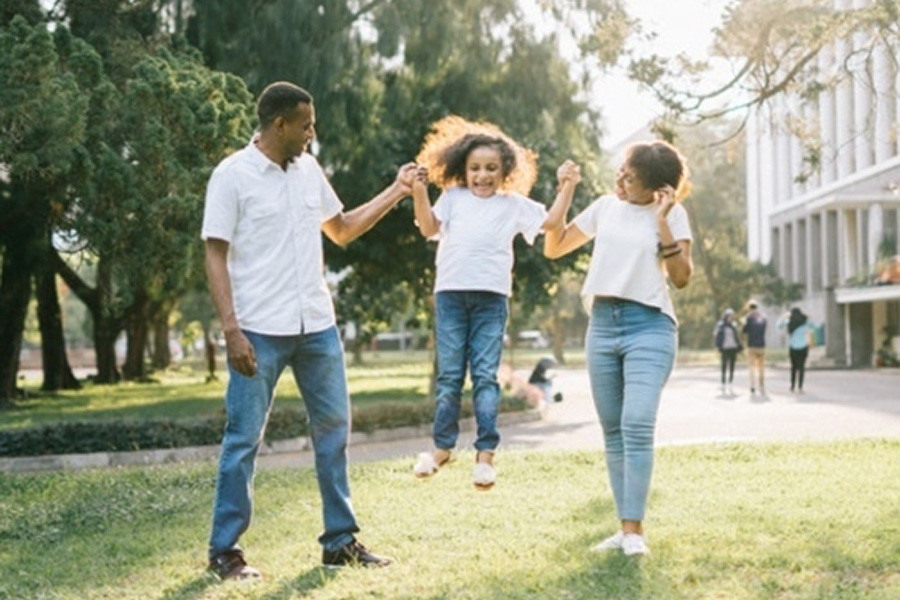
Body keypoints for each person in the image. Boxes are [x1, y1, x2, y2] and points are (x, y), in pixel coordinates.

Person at [201, 81, 417, 579]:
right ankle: (225, 550)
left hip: (317, 326)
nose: (312, 134)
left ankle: (339, 542)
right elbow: (214, 253)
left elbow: (340, 228)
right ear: (280, 124)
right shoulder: (232, 175)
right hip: (258, 329)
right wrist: (231, 330)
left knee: (334, 432)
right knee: (243, 439)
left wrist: (397, 190)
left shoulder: (308, 170)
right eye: (306, 125)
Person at [409, 115, 579, 489]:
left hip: (491, 300)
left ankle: (485, 457)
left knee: (485, 376)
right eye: (474, 168)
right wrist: (419, 192)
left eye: (491, 168)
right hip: (451, 296)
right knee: (450, 376)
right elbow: (427, 228)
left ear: (506, 172)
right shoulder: (452, 198)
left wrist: (566, 187)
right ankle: (441, 449)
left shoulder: (513, 204)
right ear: (462, 170)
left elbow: (551, 222)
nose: (482, 176)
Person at [543, 140, 693, 556]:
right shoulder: (605, 207)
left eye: (631, 177)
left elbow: (681, 277)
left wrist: (662, 221)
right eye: (622, 171)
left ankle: (634, 533)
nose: (621, 180)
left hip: (650, 325)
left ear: (658, 189)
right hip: (603, 326)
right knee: (613, 432)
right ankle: (625, 531)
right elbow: (553, 248)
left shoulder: (674, 213)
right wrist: (566, 190)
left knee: (637, 423)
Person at [777, 307, 813, 393]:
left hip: (793, 347)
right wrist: (809, 317)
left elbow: (779, 325)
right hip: (803, 347)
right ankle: (800, 387)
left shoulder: (789, 322)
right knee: (801, 367)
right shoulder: (805, 322)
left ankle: (792, 386)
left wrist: (784, 316)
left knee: (793, 367)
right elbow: (815, 325)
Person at [713, 308, 742, 394]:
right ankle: (723, 382)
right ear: (726, 316)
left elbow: (737, 336)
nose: (730, 318)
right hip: (725, 348)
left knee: (732, 366)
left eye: (732, 316)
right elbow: (716, 334)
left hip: (733, 348)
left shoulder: (734, 325)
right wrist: (718, 345)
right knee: (724, 365)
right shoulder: (721, 325)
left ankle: (730, 381)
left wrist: (739, 346)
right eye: (729, 316)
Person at [742, 300, 768, 395]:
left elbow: (744, 331)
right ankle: (761, 385)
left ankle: (753, 385)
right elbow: (764, 330)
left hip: (752, 345)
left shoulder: (748, 318)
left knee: (752, 367)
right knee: (761, 367)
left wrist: (744, 322)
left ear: (749, 308)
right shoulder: (763, 318)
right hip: (761, 345)